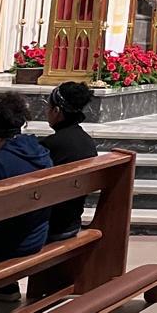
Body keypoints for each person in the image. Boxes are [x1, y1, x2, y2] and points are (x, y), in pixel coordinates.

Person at [0, 97, 55, 284]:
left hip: (14, 243)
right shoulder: (40, 152)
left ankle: (1, 288)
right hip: (37, 234)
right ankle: (6, 289)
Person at [41, 81, 99, 241]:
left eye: (48, 106)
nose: (46, 111)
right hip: (72, 223)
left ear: (57, 111)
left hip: (50, 228)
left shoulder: (51, 145)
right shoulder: (87, 142)